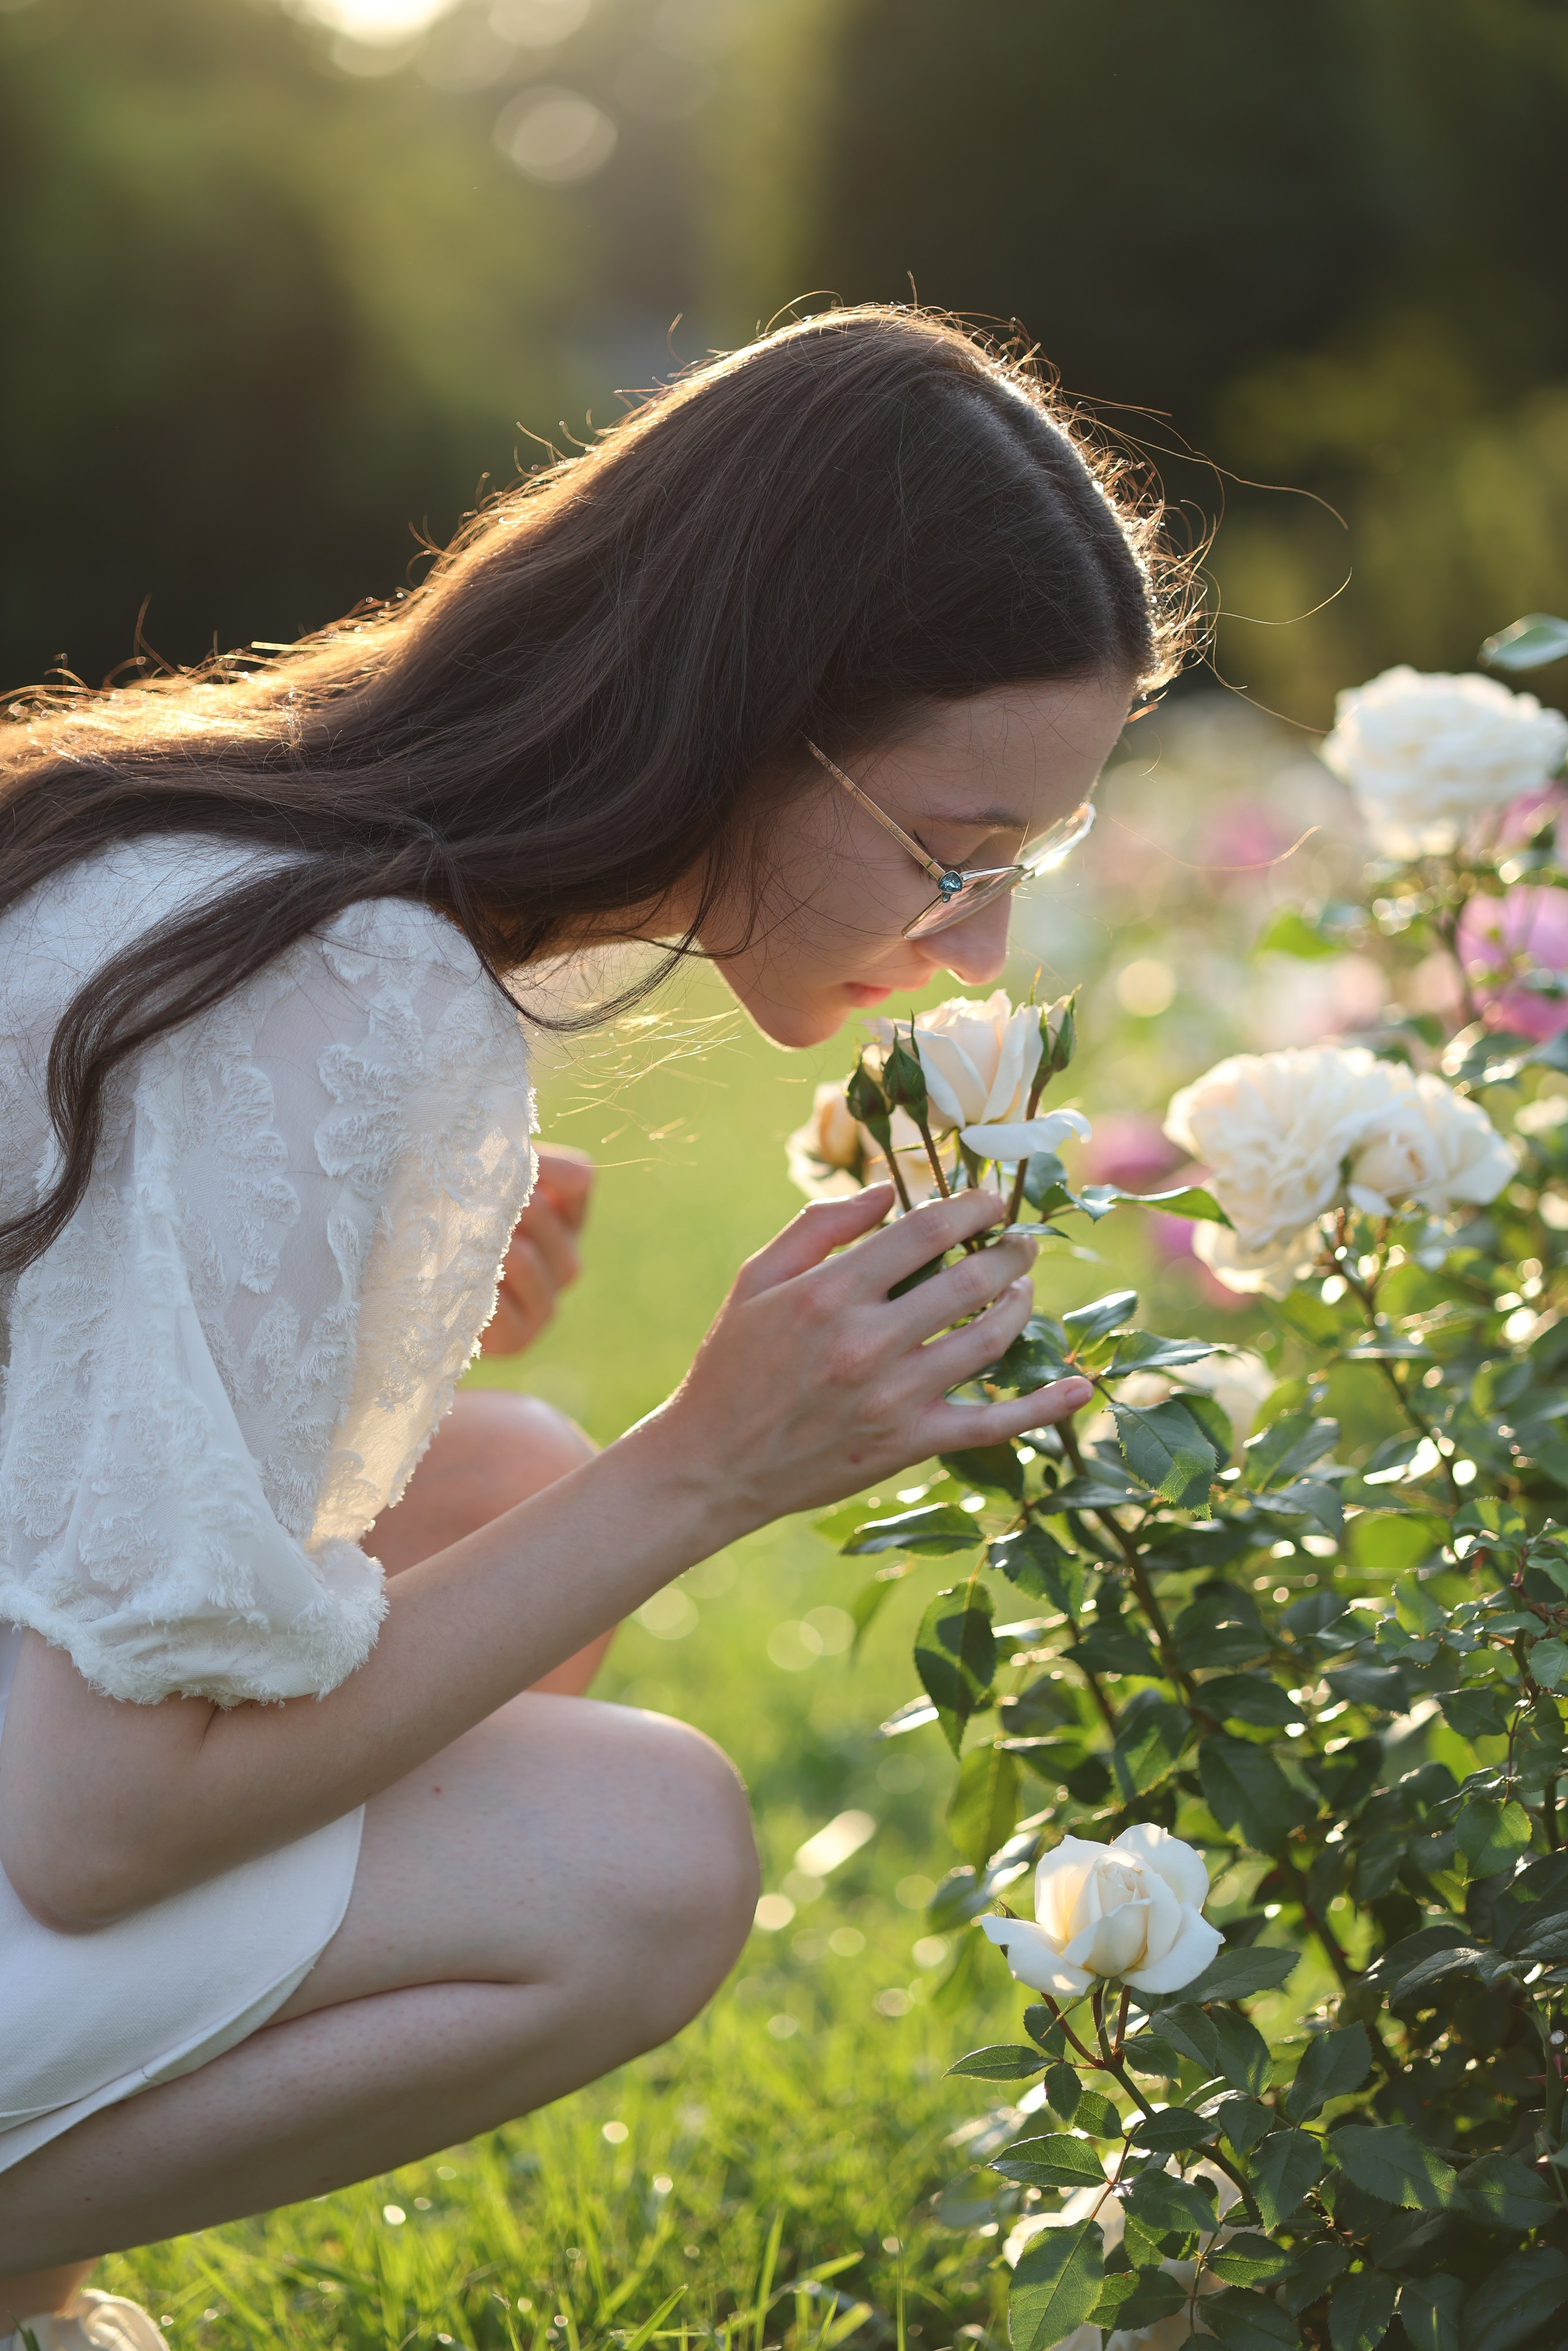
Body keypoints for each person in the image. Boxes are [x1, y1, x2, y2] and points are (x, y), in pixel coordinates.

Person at [0, 304, 1187, 2341]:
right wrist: (708, 1467)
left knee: (497, 1484)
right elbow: (94, 1826)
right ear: (748, 711)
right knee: (635, 1850)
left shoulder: (245, 850)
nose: (975, 942)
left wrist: (349, 1316)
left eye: (1029, 864)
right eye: (950, 852)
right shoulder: (331, 979)